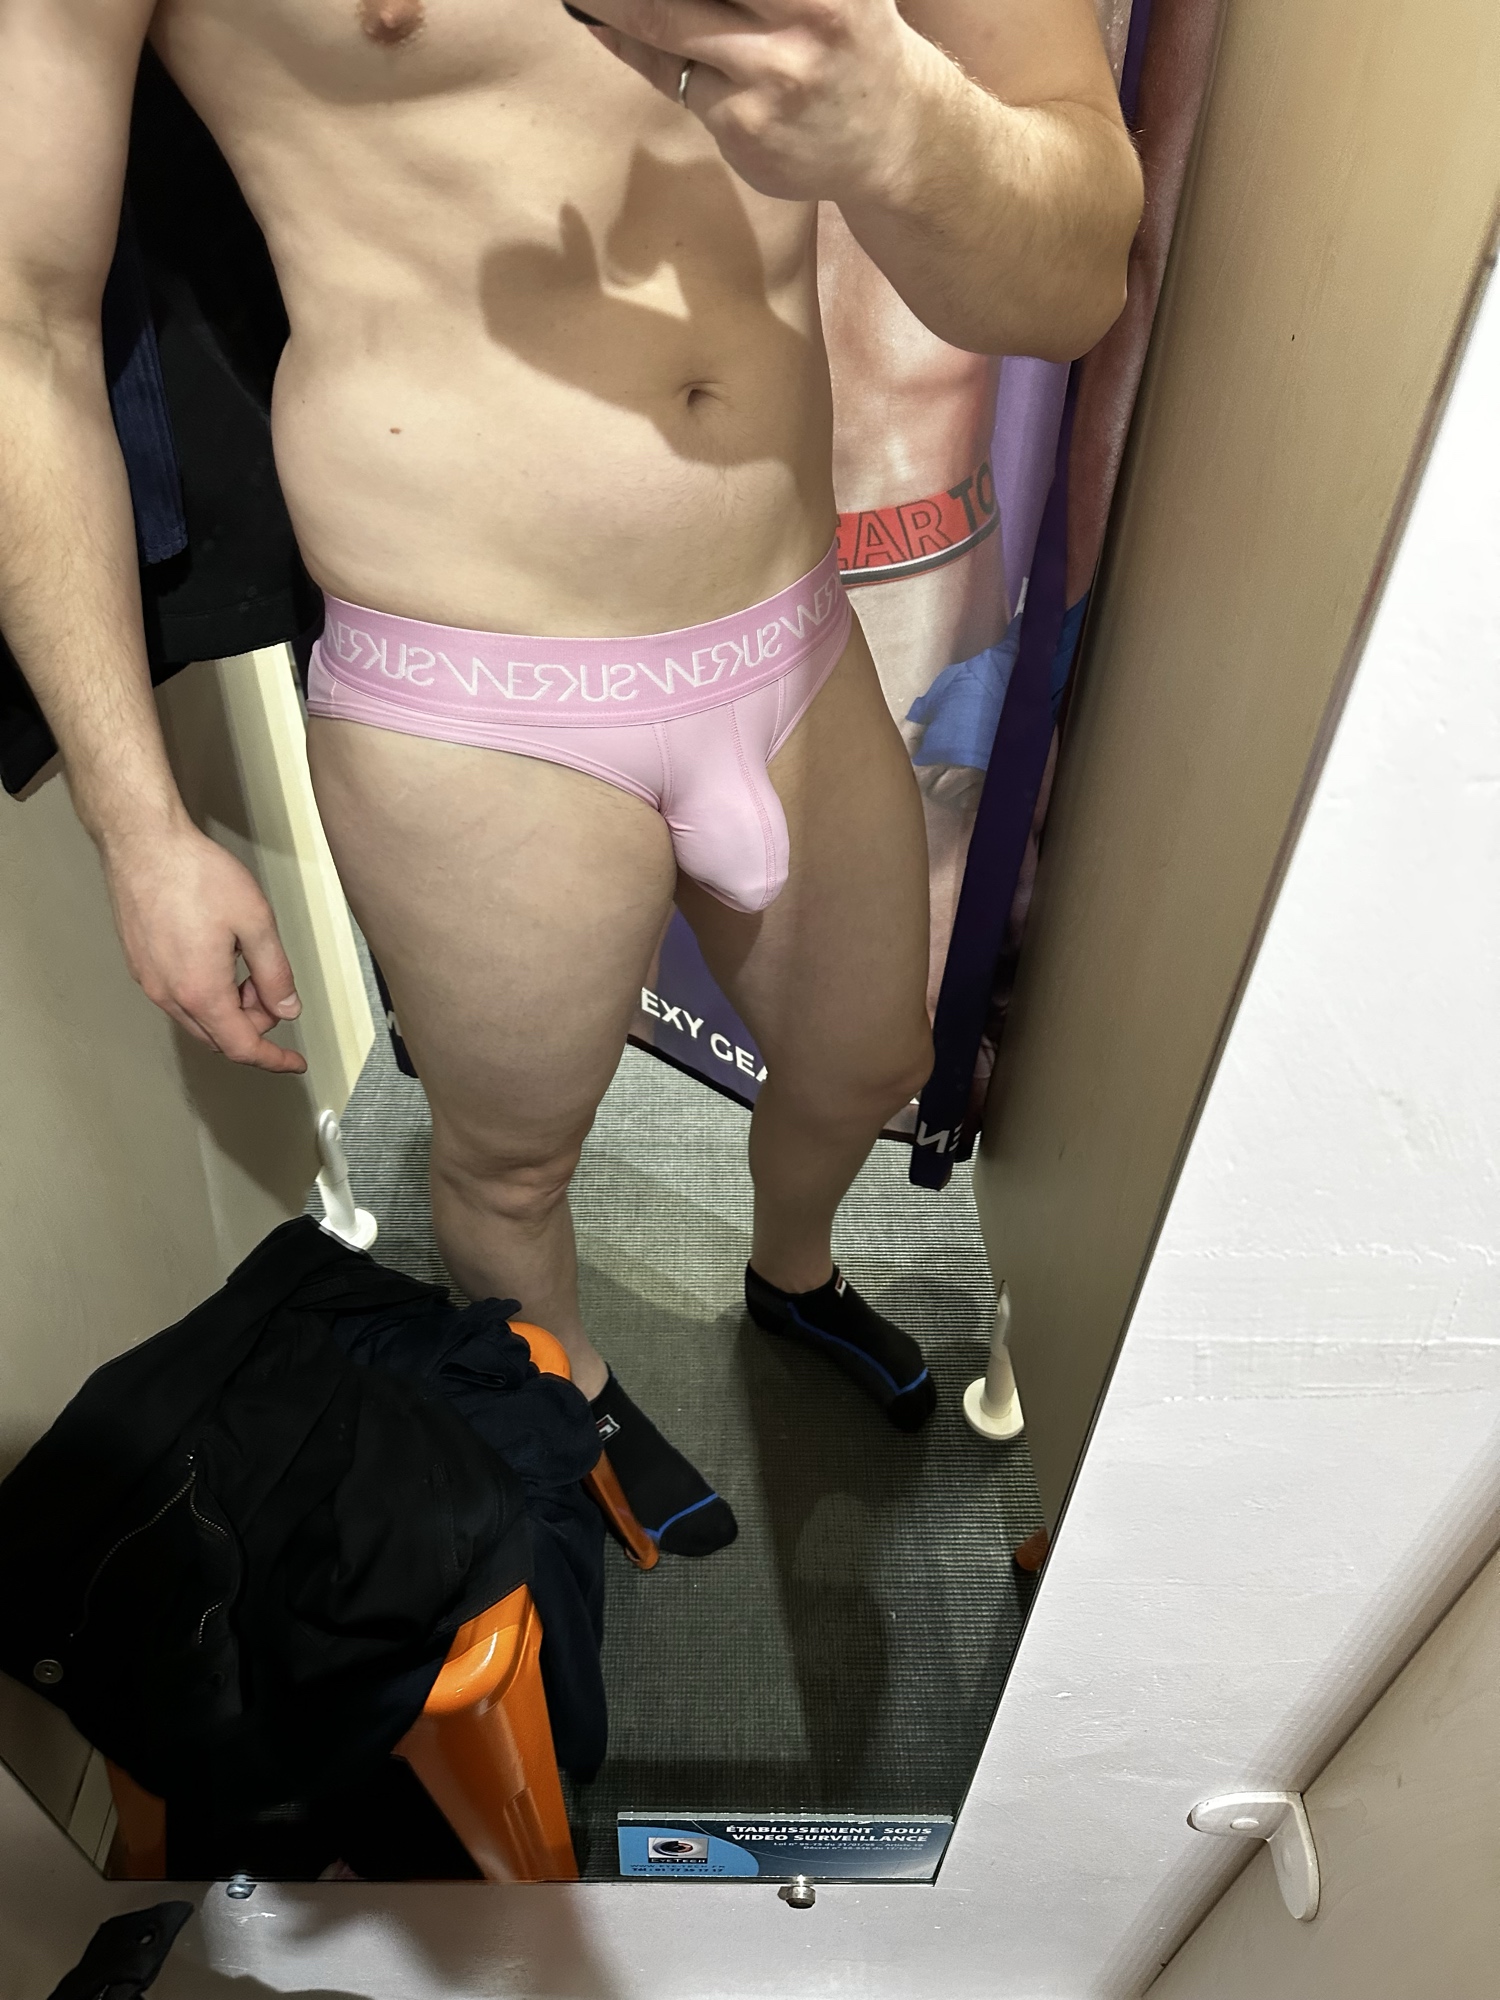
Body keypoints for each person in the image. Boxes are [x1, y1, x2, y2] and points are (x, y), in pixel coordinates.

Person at [0, 0, 1141, 1554]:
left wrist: (898, 124)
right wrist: (136, 822)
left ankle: (793, 1272)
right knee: (512, 1166)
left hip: (790, 634)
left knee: (869, 1059)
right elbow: (27, 331)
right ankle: (573, 1396)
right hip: (470, 694)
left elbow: (1076, 285)